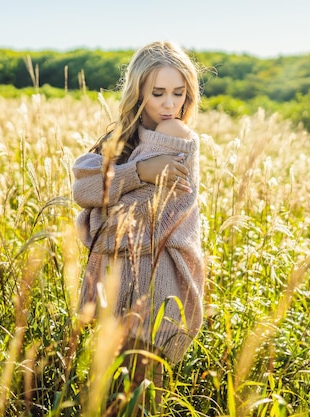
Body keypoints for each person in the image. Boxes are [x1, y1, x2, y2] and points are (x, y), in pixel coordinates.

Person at [72, 40, 205, 410]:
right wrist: (139, 173)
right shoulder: (120, 140)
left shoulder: (179, 140)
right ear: (138, 92)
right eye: (158, 92)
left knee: (142, 397)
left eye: (178, 93)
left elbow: (136, 221)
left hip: (154, 288)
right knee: (104, 394)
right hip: (113, 286)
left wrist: (106, 199)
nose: (169, 104)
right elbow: (82, 187)